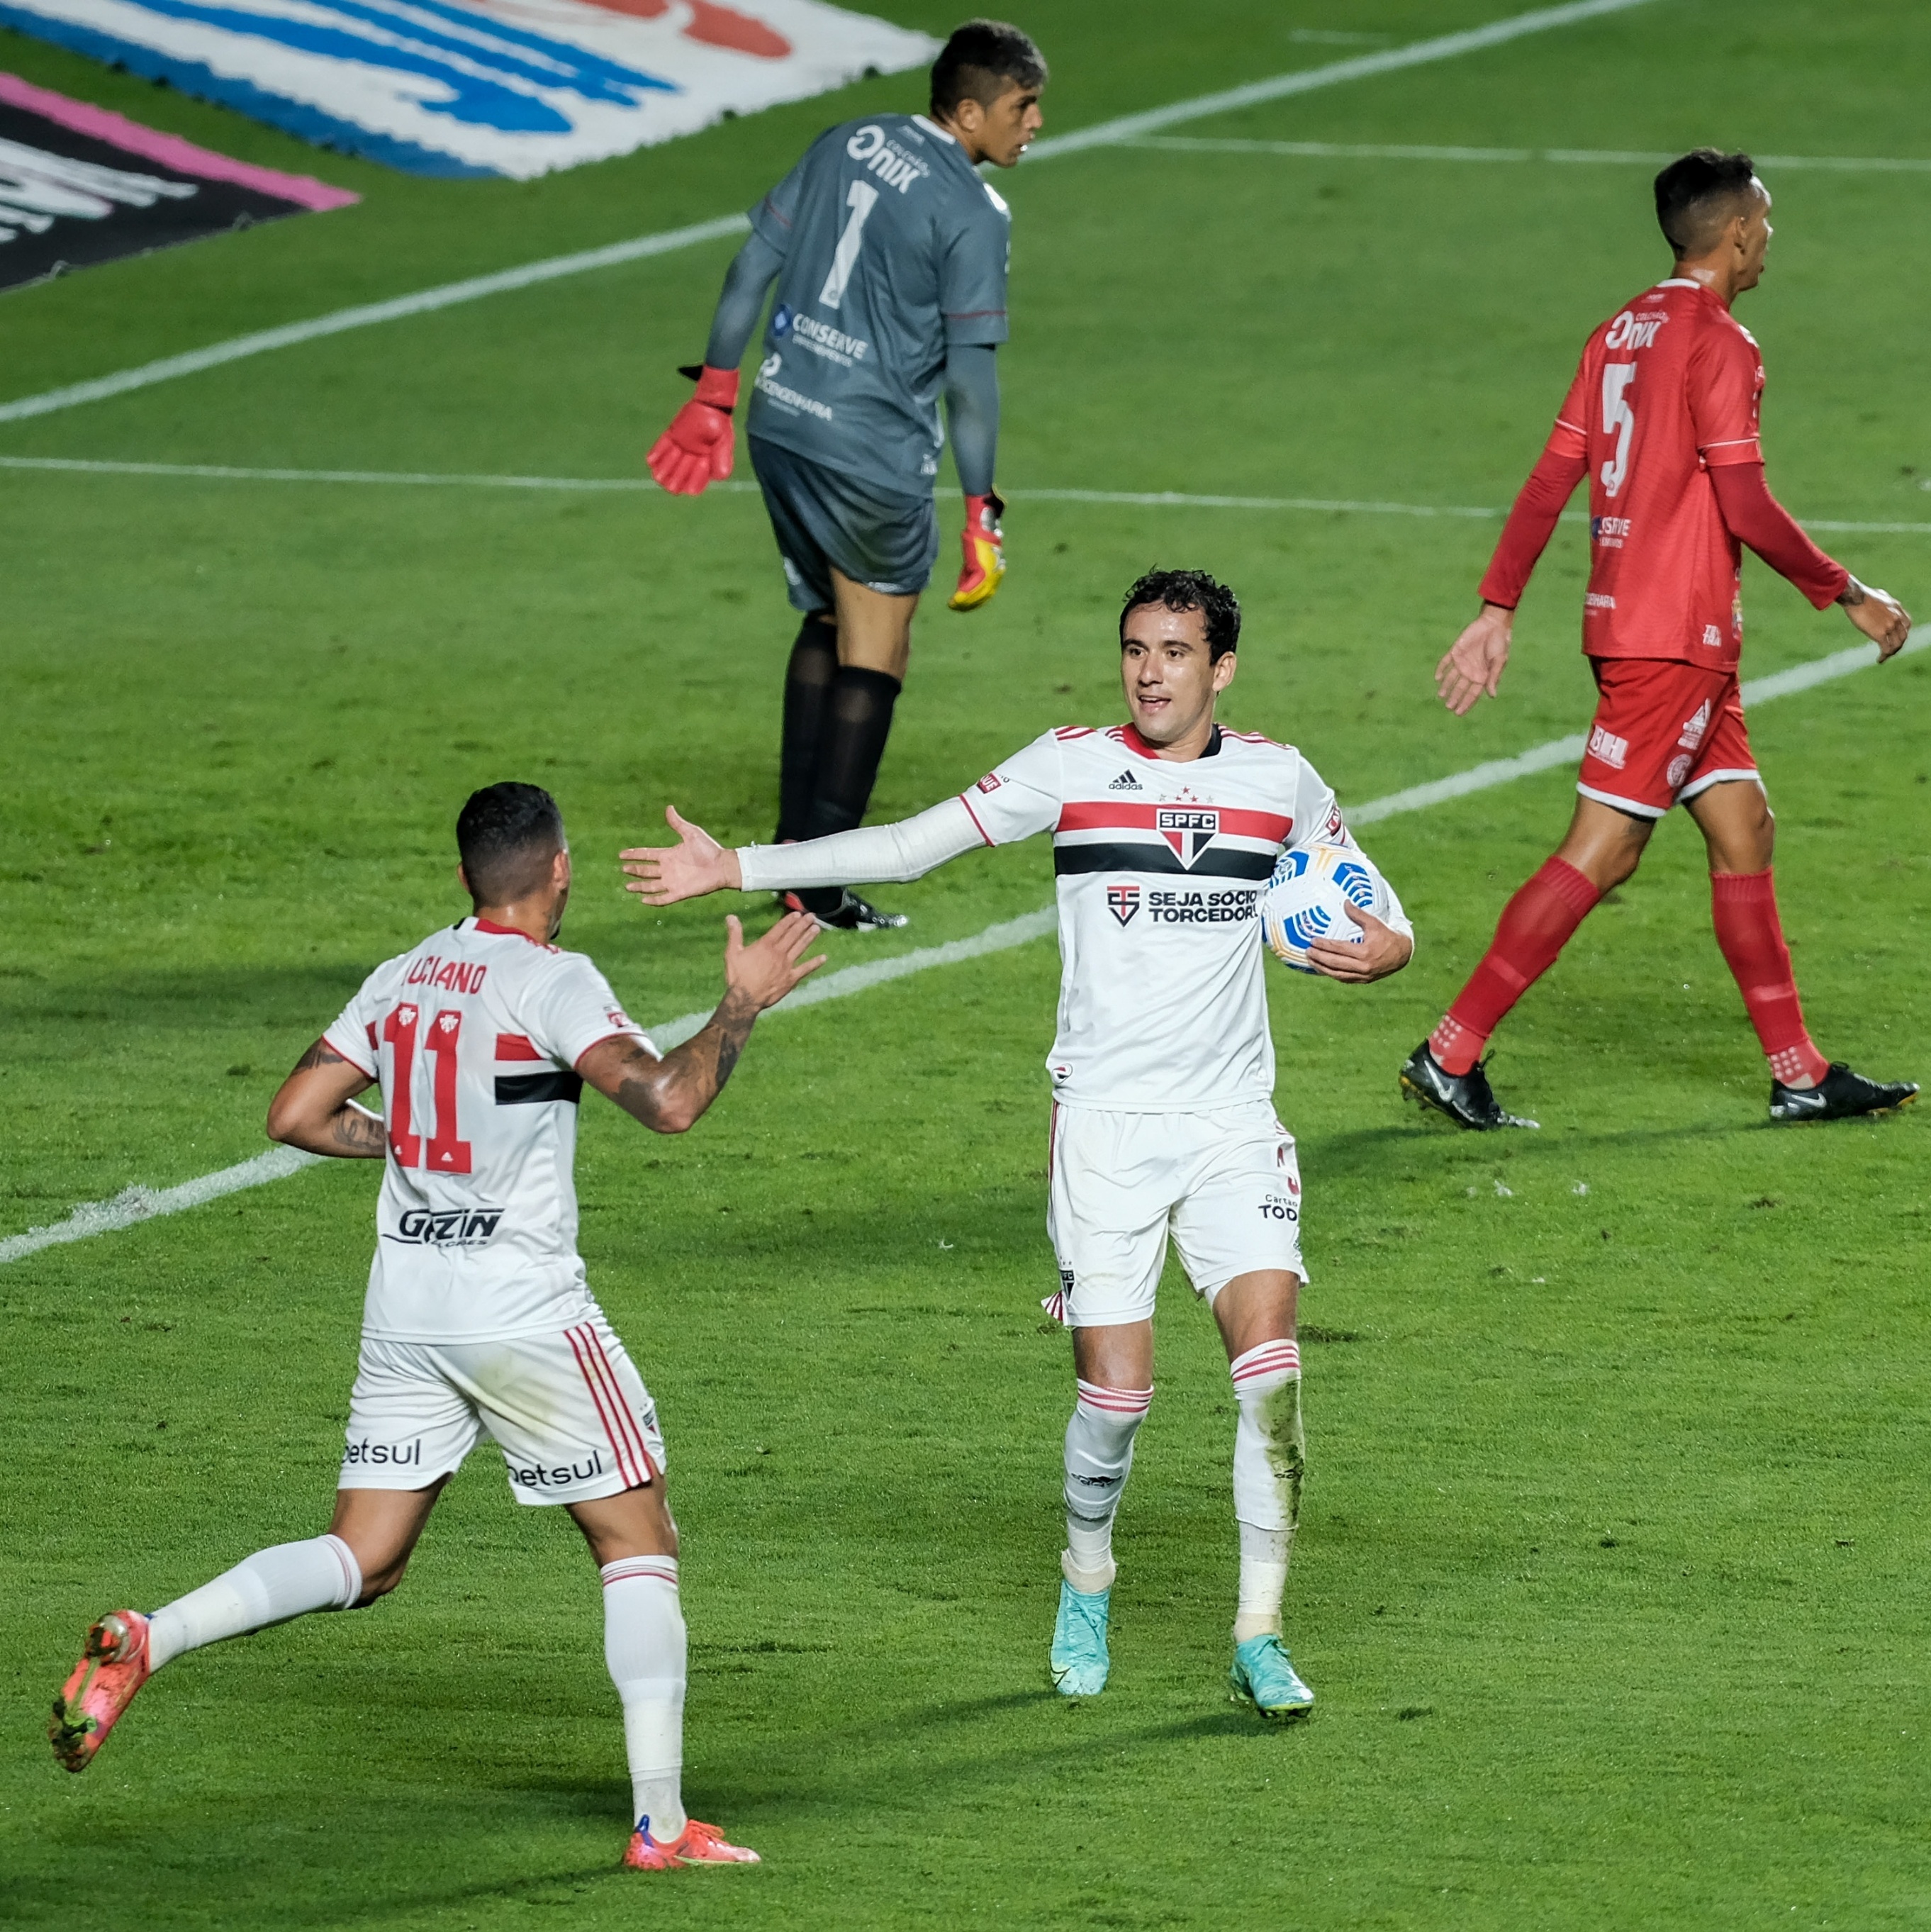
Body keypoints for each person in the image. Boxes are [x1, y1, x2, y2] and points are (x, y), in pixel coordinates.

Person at [620, 569, 1414, 1720]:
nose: (1150, 670)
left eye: (1177, 652)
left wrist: (1387, 954)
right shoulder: (1071, 764)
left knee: (1273, 1380)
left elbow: (1381, 912)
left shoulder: (1280, 780)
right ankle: (1086, 1575)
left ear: (1221, 668)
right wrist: (735, 865)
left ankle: (1260, 1630)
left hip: (1233, 1125)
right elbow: (902, 848)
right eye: (1137, 648)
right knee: (1117, 1402)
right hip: (1100, 1129)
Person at [50, 783, 823, 1874]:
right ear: (559, 870)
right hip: (522, 1313)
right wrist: (739, 1006)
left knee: (364, 1557)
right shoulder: (555, 981)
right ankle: (660, 1825)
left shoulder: (403, 973)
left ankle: (153, 1634)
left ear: (466, 879)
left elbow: (294, 1115)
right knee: (638, 1539)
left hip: (407, 1308)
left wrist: (412, 1146)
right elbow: (668, 1101)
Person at [1404, 149, 1918, 1130]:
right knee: (1604, 850)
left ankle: (1800, 1071)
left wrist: (1499, 606)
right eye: (1763, 221)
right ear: (1732, 235)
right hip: (1674, 635)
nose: (1769, 236)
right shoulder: (1722, 342)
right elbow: (1746, 500)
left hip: (1635, 624)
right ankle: (1449, 1050)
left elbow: (1553, 477)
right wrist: (1845, 590)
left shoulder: (1619, 332)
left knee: (1743, 826)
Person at [646, 19, 1047, 932]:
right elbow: (970, 377)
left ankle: (794, 858)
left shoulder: (849, 140)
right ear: (973, 107)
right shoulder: (975, 212)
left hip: (781, 423)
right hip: (871, 455)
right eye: (1024, 108)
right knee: (880, 649)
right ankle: (812, 882)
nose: (1033, 127)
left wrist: (714, 392)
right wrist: (983, 506)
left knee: (829, 617)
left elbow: (754, 263)